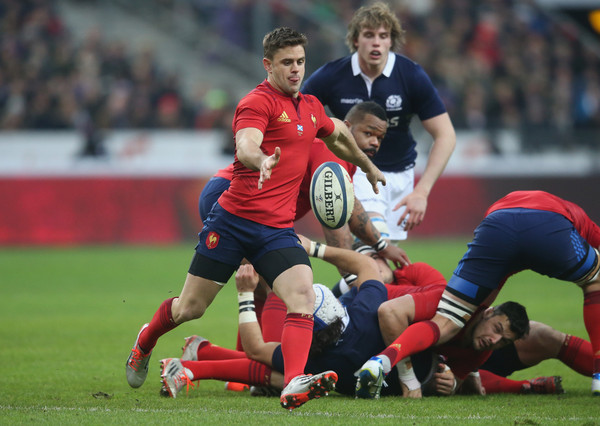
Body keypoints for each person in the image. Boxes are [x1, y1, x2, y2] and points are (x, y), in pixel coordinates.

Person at [125, 26, 386, 411]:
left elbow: (340, 134)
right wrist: (262, 159)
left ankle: (294, 381)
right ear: (268, 65)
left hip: (276, 230)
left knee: (301, 295)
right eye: (286, 63)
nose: (295, 69)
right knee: (190, 308)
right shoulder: (256, 103)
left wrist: (366, 166)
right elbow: (246, 143)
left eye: (299, 61)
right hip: (232, 222)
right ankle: (145, 341)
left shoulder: (311, 106)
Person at [355, 190, 600, 397]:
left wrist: (457, 380)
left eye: (501, 338)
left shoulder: (479, 336)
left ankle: (382, 361)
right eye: (496, 333)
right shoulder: (422, 278)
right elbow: (389, 309)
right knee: (594, 283)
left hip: (496, 224)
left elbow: (496, 278)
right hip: (546, 221)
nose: (494, 341)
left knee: (449, 323)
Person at [302, 2, 456, 243]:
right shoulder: (332, 75)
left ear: (391, 41)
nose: (376, 42)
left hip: (400, 177)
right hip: (356, 173)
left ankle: (341, 282)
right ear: (355, 40)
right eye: (369, 35)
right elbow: (298, 116)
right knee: (376, 248)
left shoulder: (411, 75)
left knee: (379, 265)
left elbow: (445, 135)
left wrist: (422, 192)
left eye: (383, 36)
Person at [199, 101, 410, 273]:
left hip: (236, 199)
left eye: (380, 138)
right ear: (346, 127)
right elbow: (337, 219)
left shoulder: (345, 160)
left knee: (262, 286)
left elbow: (347, 211)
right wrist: (359, 273)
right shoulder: (331, 152)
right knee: (288, 282)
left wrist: (379, 249)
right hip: (232, 196)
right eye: (369, 133)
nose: (375, 142)